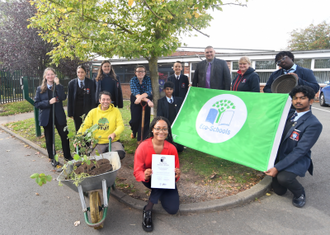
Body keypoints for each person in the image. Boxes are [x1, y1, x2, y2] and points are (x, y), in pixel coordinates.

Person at [265, 85, 322, 208]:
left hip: (297, 158)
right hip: (280, 154)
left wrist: (277, 167)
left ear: (311, 101)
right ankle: (281, 175)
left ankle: (299, 193)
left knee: (284, 178)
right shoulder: (288, 114)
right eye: (295, 98)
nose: (298, 101)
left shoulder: (313, 124)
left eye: (302, 98)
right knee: (279, 191)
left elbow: (300, 150)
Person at [133, 116, 180, 232]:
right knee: (156, 179)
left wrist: (177, 173)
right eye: (158, 128)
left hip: (166, 180)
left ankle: (160, 194)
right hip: (149, 179)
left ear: (168, 131)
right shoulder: (143, 147)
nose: (161, 131)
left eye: (165, 129)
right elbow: (137, 171)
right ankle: (148, 209)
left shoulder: (172, 148)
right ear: (152, 130)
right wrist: (144, 174)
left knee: (173, 209)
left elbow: (176, 170)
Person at [34, 67, 72, 165]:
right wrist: (48, 102)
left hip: (58, 115)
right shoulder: (40, 89)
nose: (50, 76)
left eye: (52, 74)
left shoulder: (58, 86)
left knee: (65, 136)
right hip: (47, 117)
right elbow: (37, 104)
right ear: (45, 76)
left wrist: (58, 84)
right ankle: (52, 158)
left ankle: (67, 156)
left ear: (55, 75)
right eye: (48, 74)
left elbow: (63, 97)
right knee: (49, 138)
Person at [77, 91, 125, 159]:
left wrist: (114, 133)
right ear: (99, 100)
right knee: (93, 160)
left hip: (112, 141)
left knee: (119, 154)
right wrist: (78, 137)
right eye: (103, 99)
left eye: (108, 99)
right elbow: (85, 125)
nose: (106, 101)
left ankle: (116, 149)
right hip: (98, 142)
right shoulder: (93, 112)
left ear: (110, 100)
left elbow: (120, 125)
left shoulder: (116, 111)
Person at [129, 65, 154, 144]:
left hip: (144, 98)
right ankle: (134, 131)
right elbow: (135, 92)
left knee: (145, 119)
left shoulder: (148, 79)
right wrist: (147, 100)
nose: (140, 73)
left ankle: (141, 138)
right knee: (135, 119)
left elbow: (148, 91)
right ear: (135, 72)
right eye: (138, 71)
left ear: (145, 72)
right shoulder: (133, 80)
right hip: (135, 99)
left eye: (142, 71)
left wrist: (143, 99)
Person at [157, 81, 184, 152]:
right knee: (167, 146)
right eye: (167, 89)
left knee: (180, 149)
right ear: (164, 90)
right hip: (166, 125)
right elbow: (159, 115)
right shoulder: (161, 101)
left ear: (173, 90)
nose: (169, 91)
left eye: (170, 89)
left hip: (176, 125)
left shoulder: (179, 100)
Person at [67, 65, 96, 132]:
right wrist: (70, 113)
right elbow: (70, 99)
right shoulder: (71, 83)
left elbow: (93, 98)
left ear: (85, 73)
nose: (80, 74)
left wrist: (93, 111)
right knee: (78, 128)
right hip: (76, 110)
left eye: (82, 72)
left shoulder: (91, 83)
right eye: (78, 72)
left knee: (88, 128)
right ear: (76, 73)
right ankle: (79, 141)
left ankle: (87, 142)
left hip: (87, 109)